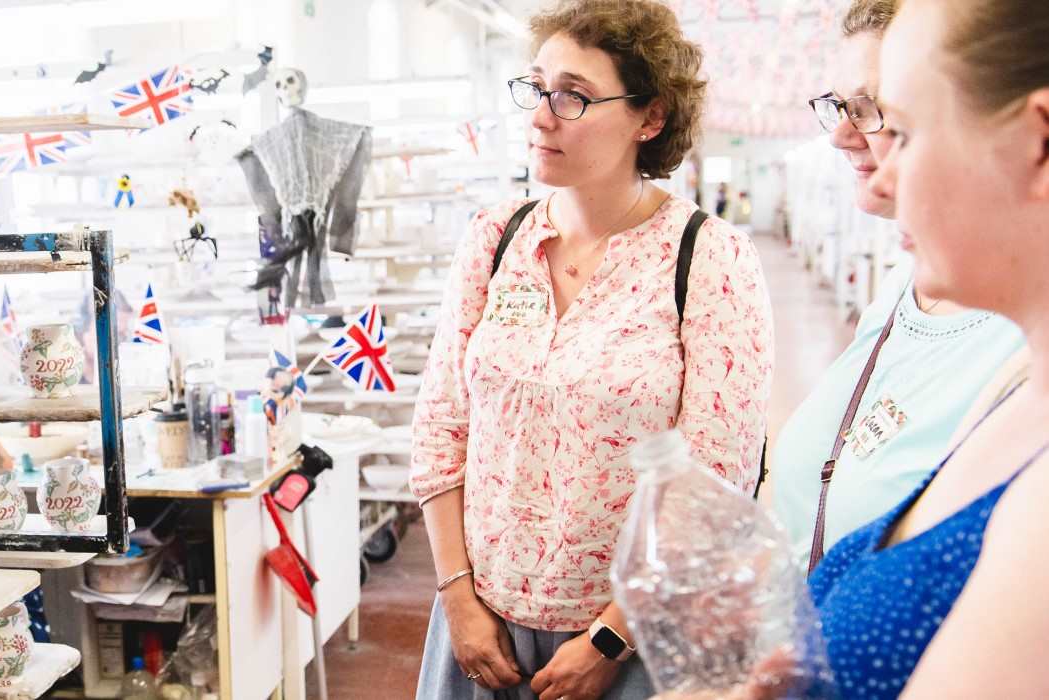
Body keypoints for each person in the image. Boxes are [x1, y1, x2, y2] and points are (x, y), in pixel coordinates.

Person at [410, 1, 773, 698]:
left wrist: (611, 638)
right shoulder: (495, 241)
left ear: (650, 117)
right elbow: (441, 430)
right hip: (479, 628)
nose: (541, 116)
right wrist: (458, 598)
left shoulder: (707, 259)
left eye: (572, 96)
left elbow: (716, 481)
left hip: (631, 643)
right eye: (537, 88)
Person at [766, 0, 1024, 574]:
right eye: (838, 106)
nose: (840, 136)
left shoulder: (1022, 344)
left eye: (875, 110)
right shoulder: (903, 290)